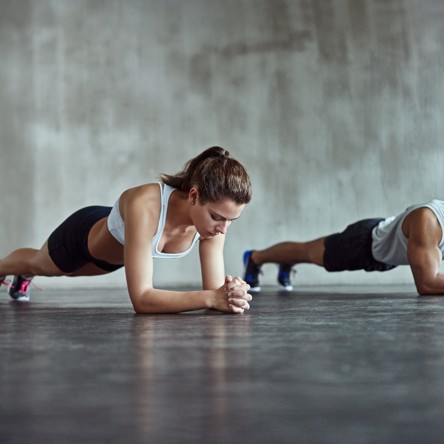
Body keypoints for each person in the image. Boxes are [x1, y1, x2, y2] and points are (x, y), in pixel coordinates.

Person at [0, 146, 253, 314]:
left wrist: (232, 294)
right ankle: (10, 269)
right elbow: (142, 299)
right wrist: (211, 298)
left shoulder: (214, 223)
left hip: (113, 259)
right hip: (81, 236)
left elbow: (216, 291)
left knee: (67, 273)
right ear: (194, 195)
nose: (223, 228)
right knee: (41, 266)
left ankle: (23, 275)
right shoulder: (146, 204)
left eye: (231, 220)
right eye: (218, 217)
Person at [243, 200, 444, 295]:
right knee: (307, 253)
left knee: (306, 253)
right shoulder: (428, 220)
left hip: (386, 255)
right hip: (362, 243)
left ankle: (285, 262)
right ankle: (255, 258)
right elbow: (427, 284)